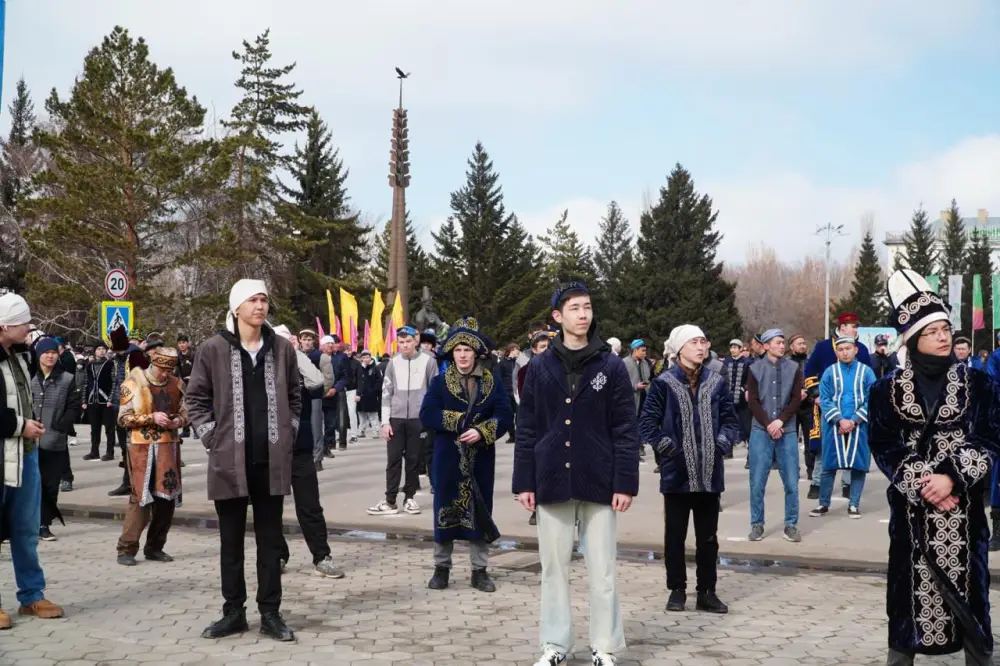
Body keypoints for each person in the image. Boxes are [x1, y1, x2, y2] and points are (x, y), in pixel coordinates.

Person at [870, 270, 999, 666]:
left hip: (964, 514)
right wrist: (925, 485)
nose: (944, 337)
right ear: (912, 338)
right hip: (912, 517)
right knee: (906, 604)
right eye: (933, 331)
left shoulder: (978, 384)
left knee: (973, 605)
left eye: (946, 328)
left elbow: (990, 437)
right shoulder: (886, 390)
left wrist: (951, 479)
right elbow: (884, 444)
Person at [513, 282, 640, 666]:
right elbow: (528, 427)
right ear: (558, 316)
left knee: (602, 570)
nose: (583, 314)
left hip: (599, 480)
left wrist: (625, 483)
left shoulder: (611, 365)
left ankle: (604, 646)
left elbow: (625, 428)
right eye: (574, 308)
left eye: (587, 307)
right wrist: (524, 482)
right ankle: (555, 646)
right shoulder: (539, 365)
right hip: (551, 478)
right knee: (554, 569)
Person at [186, 280, 301, 642]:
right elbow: (196, 399)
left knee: (270, 542)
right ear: (237, 307)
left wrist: (288, 435)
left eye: (264, 299)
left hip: (271, 462)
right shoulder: (213, 349)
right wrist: (211, 438)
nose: (260, 306)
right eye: (253, 299)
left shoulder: (282, 349)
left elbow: (296, 397)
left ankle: (271, 613)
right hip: (229, 462)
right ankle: (233, 612)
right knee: (230, 542)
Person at [639, 325, 738, 615]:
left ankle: (707, 591)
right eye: (694, 342)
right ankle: (677, 589)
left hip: (710, 474)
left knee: (708, 539)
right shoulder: (664, 383)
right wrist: (666, 448)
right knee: (675, 536)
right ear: (680, 348)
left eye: (703, 341)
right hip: (677, 474)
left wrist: (721, 444)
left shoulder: (716, 382)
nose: (701, 347)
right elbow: (646, 423)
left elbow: (731, 422)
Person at [421, 317, 513, 593]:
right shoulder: (439, 382)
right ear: (452, 353)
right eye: (458, 350)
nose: (462, 355)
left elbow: (506, 415)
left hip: (481, 459)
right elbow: (427, 414)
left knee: (481, 510)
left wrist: (483, 431)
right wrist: (459, 422)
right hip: (448, 458)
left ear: (476, 354)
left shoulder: (491, 382)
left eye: (467, 350)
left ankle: (480, 570)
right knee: (444, 511)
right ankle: (441, 568)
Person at [0, 293, 64, 629]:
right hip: (2, 454)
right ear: (4, 325)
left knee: (26, 530)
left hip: (25, 456)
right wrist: (19, 425)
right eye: (24, 321)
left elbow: (60, 365)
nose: (30, 327)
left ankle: (32, 595)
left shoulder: (21, 355)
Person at [272, 326, 344, 579]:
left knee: (309, 505)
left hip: (300, 447)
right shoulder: (262, 370)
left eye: (285, 343)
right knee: (271, 507)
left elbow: (318, 384)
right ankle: (278, 554)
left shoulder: (300, 368)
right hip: (271, 450)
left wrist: (297, 353)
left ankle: (322, 556)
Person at [115, 345, 186, 566]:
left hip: (168, 447)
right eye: (161, 369)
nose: (165, 374)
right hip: (141, 449)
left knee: (167, 500)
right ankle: (126, 549)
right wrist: (150, 418)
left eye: (169, 370)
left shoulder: (177, 384)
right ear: (153, 362)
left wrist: (179, 421)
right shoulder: (132, 383)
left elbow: (186, 410)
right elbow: (123, 418)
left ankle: (155, 547)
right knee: (140, 499)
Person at [367, 326, 438, 516]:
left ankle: (410, 498)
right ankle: (390, 501)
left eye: (408, 341)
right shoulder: (393, 363)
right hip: (396, 419)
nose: (405, 345)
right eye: (401, 342)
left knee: (414, 460)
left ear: (415, 341)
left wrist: (430, 418)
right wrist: (385, 422)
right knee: (393, 460)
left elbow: (435, 392)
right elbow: (386, 393)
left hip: (418, 419)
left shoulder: (429, 362)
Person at [804, 313, 871, 501]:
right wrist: (816, 395)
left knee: (853, 446)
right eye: (852, 326)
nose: (856, 329)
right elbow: (809, 371)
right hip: (827, 406)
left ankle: (847, 485)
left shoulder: (862, 349)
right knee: (823, 447)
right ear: (842, 328)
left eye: (856, 326)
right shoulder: (823, 347)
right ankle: (817, 483)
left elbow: (868, 379)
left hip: (854, 411)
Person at [746, 329, 804, 543]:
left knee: (791, 481)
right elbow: (752, 401)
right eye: (778, 342)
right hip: (761, 431)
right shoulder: (754, 368)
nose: (782, 346)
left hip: (787, 431)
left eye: (783, 342)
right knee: (757, 481)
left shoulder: (794, 368)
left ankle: (791, 525)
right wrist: (768, 423)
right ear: (766, 345)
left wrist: (780, 420)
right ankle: (757, 524)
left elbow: (797, 398)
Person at [29, 337, 80, 541]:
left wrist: (62, 425)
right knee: (28, 484)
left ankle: (44, 524)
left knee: (50, 484)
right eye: (46, 352)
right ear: (38, 354)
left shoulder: (67, 378)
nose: (50, 356)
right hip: (29, 440)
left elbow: (74, 406)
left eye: (53, 352)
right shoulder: (28, 377)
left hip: (54, 440)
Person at [83, 342, 115, 462]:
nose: (101, 351)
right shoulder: (89, 365)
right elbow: (86, 383)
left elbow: (114, 382)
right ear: (95, 351)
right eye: (99, 349)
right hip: (92, 401)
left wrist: (111, 399)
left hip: (106, 401)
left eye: (103, 349)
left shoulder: (110, 364)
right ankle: (94, 451)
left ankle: (109, 452)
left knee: (109, 428)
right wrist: (84, 400)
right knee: (94, 429)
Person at [354, 350, 382, 439]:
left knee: (373, 415)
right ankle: (361, 431)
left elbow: (379, 381)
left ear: (370, 357)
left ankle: (376, 431)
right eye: (364, 357)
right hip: (361, 395)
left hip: (372, 395)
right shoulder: (359, 368)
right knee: (361, 415)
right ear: (361, 358)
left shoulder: (375, 368)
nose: (365, 359)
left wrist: (374, 390)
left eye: (367, 357)